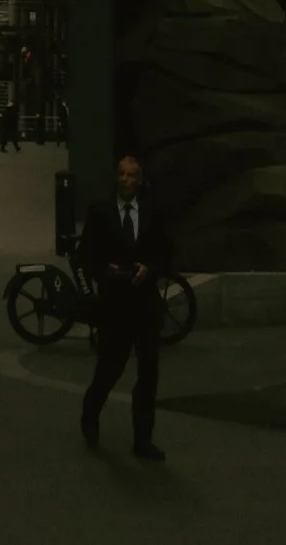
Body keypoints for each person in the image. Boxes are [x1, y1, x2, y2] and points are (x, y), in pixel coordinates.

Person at [77, 153, 173, 460]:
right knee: (110, 369)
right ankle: (90, 413)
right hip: (114, 305)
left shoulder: (153, 212)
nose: (125, 180)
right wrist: (106, 270)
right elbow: (85, 256)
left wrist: (150, 269)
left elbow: (166, 253)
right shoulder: (100, 212)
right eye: (121, 174)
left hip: (145, 305)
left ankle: (143, 440)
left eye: (131, 176)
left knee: (148, 375)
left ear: (140, 181)